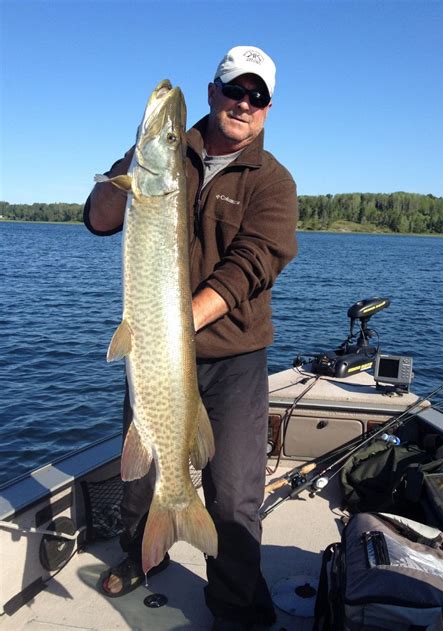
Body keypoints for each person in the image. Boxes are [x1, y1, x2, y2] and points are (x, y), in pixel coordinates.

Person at [84, 45, 298, 630]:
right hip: (158, 355)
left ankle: (233, 601)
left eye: (257, 97)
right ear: (213, 92)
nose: (243, 104)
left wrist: (171, 325)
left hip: (233, 360)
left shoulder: (273, 182)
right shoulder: (162, 160)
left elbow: (251, 266)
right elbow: (100, 218)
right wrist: (135, 160)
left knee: (232, 495)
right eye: (235, 90)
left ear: (268, 108)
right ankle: (140, 554)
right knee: (141, 473)